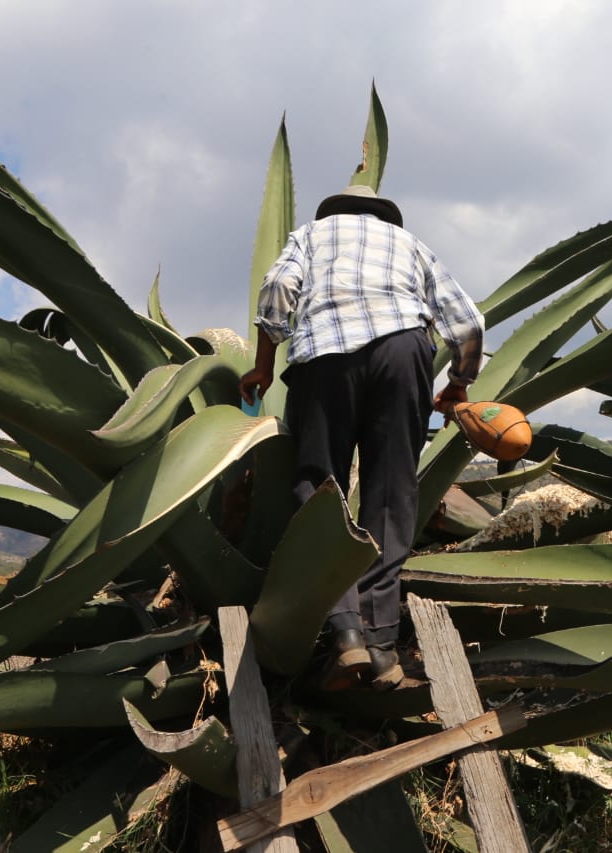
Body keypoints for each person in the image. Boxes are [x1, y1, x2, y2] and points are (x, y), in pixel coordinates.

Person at [239, 184, 484, 689]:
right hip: (403, 352)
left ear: (336, 211)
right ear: (382, 214)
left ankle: (346, 635)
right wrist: (457, 386)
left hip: (326, 359)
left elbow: (278, 289)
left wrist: (262, 367)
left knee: (320, 488)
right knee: (392, 491)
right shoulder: (409, 244)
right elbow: (468, 322)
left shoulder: (310, 234)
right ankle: (383, 645)